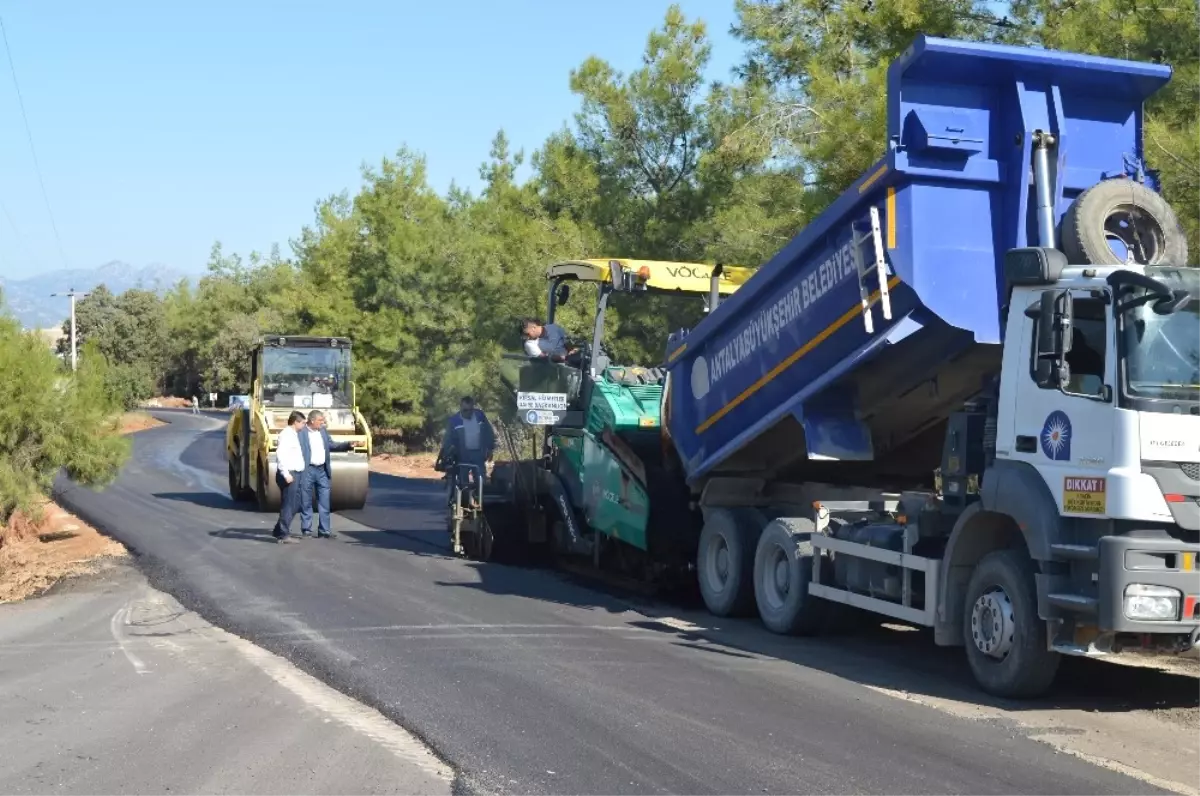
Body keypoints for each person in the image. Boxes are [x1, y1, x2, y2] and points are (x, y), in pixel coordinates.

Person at [297, 409, 355, 539]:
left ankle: (324, 530)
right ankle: (306, 529)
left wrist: (347, 445)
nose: (323, 423)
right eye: (320, 421)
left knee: (324, 501)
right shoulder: (301, 433)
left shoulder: (322, 431)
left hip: (322, 470)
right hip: (307, 470)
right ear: (312, 421)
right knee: (305, 500)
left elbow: (331, 444)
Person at [438, 396, 495, 509]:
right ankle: (465, 502)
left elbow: (489, 432)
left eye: (470, 410)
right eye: (465, 410)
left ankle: (479, 502)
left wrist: (490, 448)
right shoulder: (454, 421)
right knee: (463, 482)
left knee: (480, 479)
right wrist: (447, 455)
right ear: (461, 408)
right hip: (462, 455)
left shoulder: (480, 416)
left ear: (473, 408)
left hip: (478, 454)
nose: (468, 413)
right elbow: (448, 440)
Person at [272, 411, 308, 544]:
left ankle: (279, 530)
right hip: (289, 474)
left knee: (295, 504)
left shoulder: (294, 434)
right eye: (303, 423)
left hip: (296, 473)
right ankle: (283, 534)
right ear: (295, 422)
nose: (304, 425)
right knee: (289, 504)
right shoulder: (286, 435)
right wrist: (286, 474)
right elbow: (280, 455)